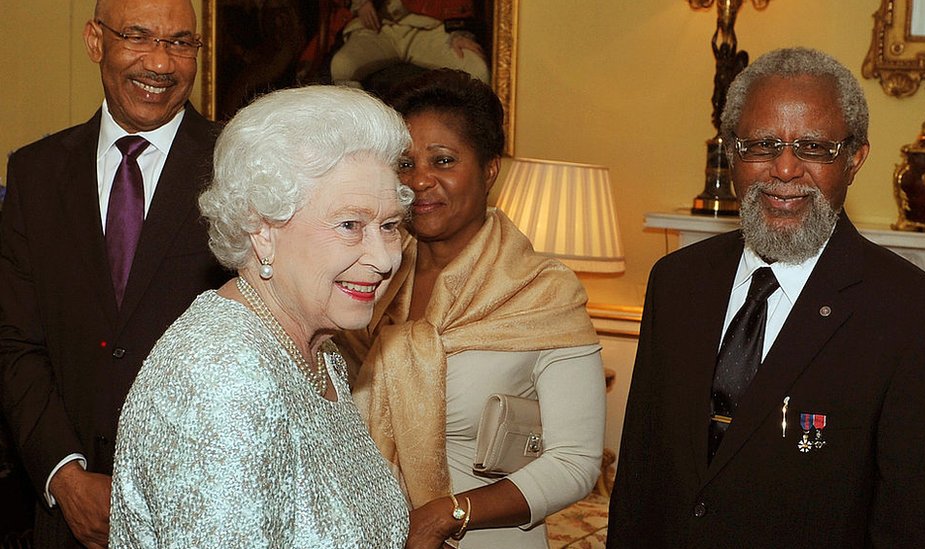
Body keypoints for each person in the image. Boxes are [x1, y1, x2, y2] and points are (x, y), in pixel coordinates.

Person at [607, 47, 925, 548]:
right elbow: (640, 478)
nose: (784, 170)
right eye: (761, 144)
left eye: (813, 148)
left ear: (854, 158)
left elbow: (920, 528)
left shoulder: (921, 322)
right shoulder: (676, 282)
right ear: (731, 151)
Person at [109, 85, 413, 547]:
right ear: (262, 230)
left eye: (389, 226)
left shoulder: (316, 350)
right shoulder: (221, 378)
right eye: (350, 225)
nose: (384, 258)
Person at [343, 68, 606, 549]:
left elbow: (575, 463)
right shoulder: (365, 277)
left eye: (443, 160)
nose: (420, 180)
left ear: (489, 170)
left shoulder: (541, 292)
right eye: (404, 164)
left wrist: (447, 515)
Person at [0, 0, 228, 546]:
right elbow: (14, 342)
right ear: (95, 41)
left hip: (205, 510)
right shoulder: (34, 173)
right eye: (139, 36)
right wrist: (65, 474)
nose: (161, 63)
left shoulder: (238, 167)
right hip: (65, 518)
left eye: (180, 43)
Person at [330, 0, 490, 88]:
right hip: (378, 26)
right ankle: (359, 134)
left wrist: (460, 32)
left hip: (430, 27)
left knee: (477, 70)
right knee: (342, 66)